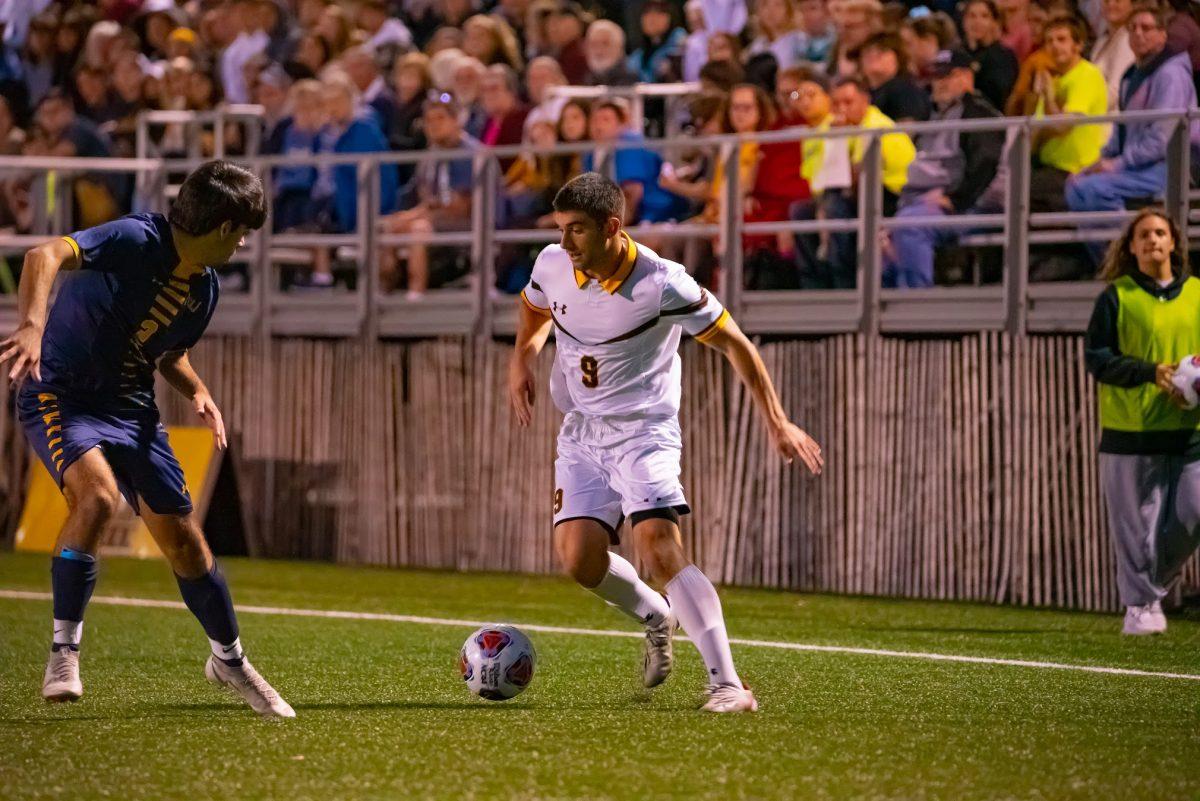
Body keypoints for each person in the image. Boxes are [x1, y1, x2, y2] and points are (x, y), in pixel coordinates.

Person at [508, 172, 823, 712]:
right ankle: (656, 614)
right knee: (580, 562)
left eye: (576, 231)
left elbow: (736, 344)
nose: (564, 243)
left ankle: (728, 685)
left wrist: (778, 420)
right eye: (560, 230)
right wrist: (523, 357)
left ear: (613, 226)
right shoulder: (553, 263)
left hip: (644, 433)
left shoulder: (661, 282)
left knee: (656, 546)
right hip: (581, 434)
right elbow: (536, 308)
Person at [0, 161, 293, 717]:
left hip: (131, 408)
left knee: (186, 542)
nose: (243, 245)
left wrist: (198, 390)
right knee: (98, 498)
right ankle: (64, 650)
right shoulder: (136, 237)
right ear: (225, 227)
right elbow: (44, 255)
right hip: (60, 395)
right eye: (244, 232)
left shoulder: (203, 290)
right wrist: (33, 325)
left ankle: (229, 661)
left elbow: (169, 355)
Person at [1084, 208, 1200, 636]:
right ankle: (1138, 608)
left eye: (1160, 233)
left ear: (1173, 243)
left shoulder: (1199, 295)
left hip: (1190, 432)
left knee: (1193, 517)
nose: (1153, 240)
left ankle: (1148, 592)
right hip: (1129, 434)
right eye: (1144, 235)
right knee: (1133, 531)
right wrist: (1151, 372)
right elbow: (1098, 359)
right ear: (1131, 248)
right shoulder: (1116, 297)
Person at [1067, 2, 1199, 243]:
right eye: (1133, 28)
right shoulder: (1132, 75)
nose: (1138, 34)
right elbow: (1120, 132)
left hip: (1171, 166)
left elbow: (1162, 139)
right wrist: (1096, 163)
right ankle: (1111, 263)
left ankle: (1132, 256)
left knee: (1095, 189)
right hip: (1139, 165)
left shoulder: (1171, 74)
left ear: (1162, 34)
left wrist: (1118, 164)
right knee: (1076, 185)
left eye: (1146, 28)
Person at [885, 50, 1004, 287]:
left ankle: (916, 305)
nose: (938, 84)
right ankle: (889, 311)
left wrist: (955, 199)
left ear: (967, 78)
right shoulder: (936, 115)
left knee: (910, 227)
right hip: (925, 204)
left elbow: (986, 164)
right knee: (880, 235)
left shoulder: (977, 113)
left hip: (974, 207)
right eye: (936, 78)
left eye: (946, 76)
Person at [1015, 15, 1107, 213]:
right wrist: (1034, 98)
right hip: (1046, 167)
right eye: (1049, 41)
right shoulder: (1053, 80)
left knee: (1014, 192)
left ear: (1079, 45)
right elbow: (1033, 138)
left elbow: (1063, 126)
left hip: (1075, 171)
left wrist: (1048, 100)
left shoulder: (1087, 75)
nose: (1055, 46)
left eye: (1061, 39)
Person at [859, 31, 932, 122]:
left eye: (882, 50)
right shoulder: (864, 93)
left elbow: (909, 130)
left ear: (898, 57)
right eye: (868, 51)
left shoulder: (904, 91)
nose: (873, 55)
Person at [961, 0, 1020, 111]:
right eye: (972, 16)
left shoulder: (1004, 56)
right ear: (964, 21)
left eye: (984, 16)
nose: (977, 22)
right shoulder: (956, 55)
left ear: (994, 22)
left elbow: (1001, 94)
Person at [1091, 0, 1137, 109]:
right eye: (1106, 1)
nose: (1111, 4)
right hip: (1095, 114)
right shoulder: (1102, 40)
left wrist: (1084, 110)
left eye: (1117, 1)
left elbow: (1116, 90)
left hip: (1111, 119)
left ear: (1132, 5)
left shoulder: (1128, 40)